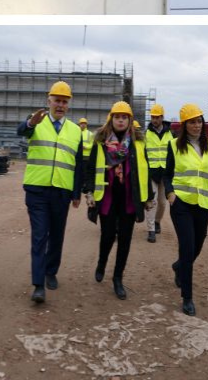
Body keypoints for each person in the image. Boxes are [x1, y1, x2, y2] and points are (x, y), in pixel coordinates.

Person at [17, 81, 82, 304]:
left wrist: (76, 193)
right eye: (57, 100)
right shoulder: (37, 122)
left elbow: (78, 164)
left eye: (64, 101)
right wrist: (29, 122)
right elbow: (21, 130)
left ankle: (51, 271)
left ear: (69, 104)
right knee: (39, 235)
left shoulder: (75, 131)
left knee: (57, 234)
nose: (60, 105)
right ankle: (38, 284)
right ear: (49, 101)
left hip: (62, 191)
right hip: (37, 190)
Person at [78, 102, 150, 300]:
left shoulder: (138, 144)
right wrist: (89, 191)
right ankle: (101, 262)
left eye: (124, 117)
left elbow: (145, 169)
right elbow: (90, 168)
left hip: (128, 199)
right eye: (117, 116)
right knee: (108, 236)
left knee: (125, 240)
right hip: (107, 198)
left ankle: (117, 278)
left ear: (129, 120)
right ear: (111, 119)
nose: (120, 120)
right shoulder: (100, 142)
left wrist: (148, 197)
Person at [165, 103, 208, 316]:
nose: (197, 125)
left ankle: (180, 266)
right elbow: (167, 174)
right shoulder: (174, 146)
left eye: (199, 121)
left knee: (196, 248)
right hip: (181, 204)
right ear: (184, 125)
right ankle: (187, 297)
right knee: (188, 248)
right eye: (192, 122)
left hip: (203, 205)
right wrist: (170, 194)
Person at [144, 105, 173, 243]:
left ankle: (157, 221)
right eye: (153, 117)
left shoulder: (169, 133)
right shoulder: (147, 133)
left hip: (165, 173)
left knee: (162, 203)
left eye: (157, 117)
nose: (154, 120)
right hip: (152, 173)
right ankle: (150, 230)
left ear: (162, 117)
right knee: (152, 201)